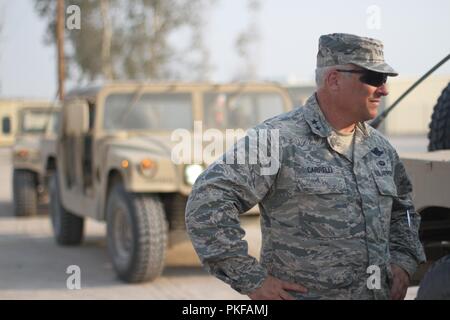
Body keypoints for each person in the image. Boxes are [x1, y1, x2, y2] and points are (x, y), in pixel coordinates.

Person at [185, 33, 426, 300]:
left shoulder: (380, 149)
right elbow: (207, 201)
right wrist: (251, 279)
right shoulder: (276, 139)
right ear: (334, 79)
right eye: (374, 78)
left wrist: (403, 261)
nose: (384, 89)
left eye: (385, 79)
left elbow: (403, 212)